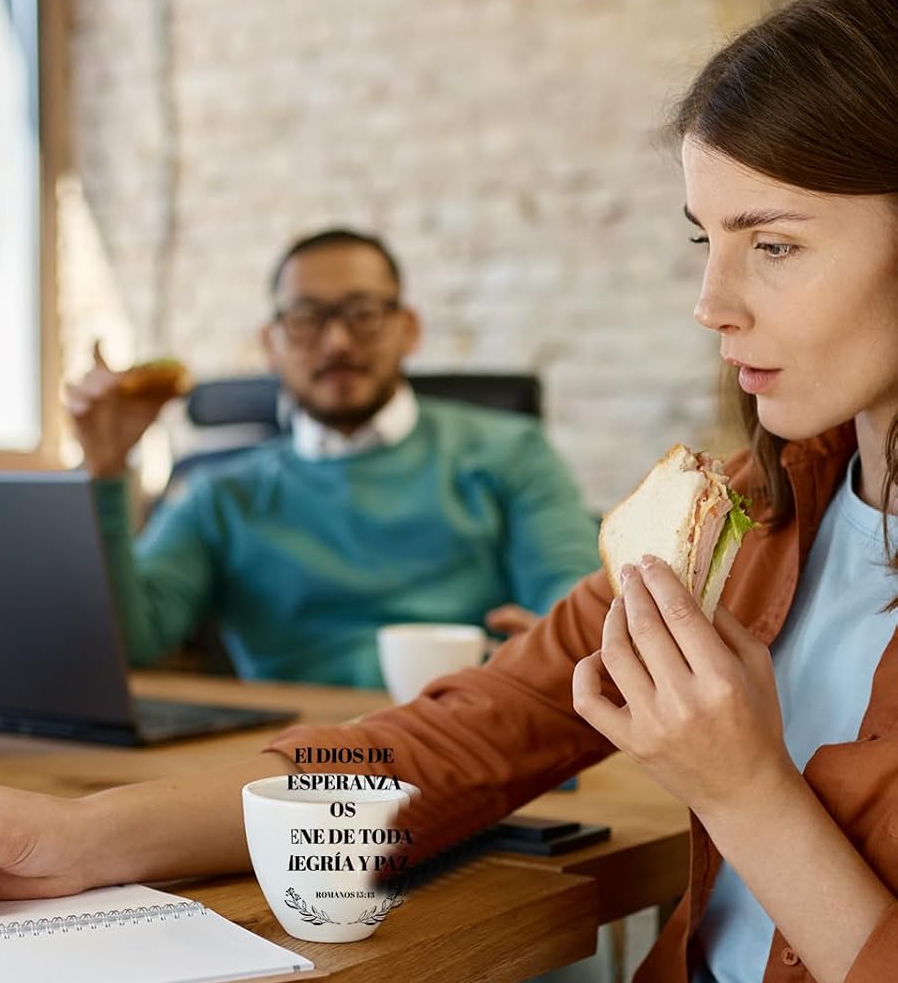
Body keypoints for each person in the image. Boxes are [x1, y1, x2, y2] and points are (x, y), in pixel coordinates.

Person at [0, 0, 898, 983]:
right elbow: (454, 739)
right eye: (698, 240)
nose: (713, 302)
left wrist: (749, 793)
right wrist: (79, 835)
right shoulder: (749, 523)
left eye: (773, 244)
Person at [68, 228, 600, 687]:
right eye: (306, 318)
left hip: (463, 733)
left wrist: (555, 646)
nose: (338, 341)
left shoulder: (512, 451)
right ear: (271, 343)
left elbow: (569, 594)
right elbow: (130, 642)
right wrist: (105, 473)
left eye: (363, 314)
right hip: (285, 762)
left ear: (407, 329)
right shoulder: (219, 495)